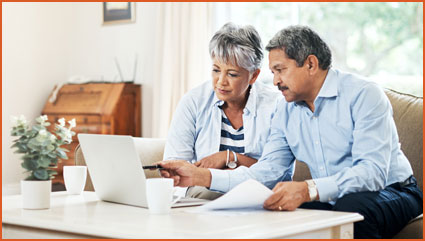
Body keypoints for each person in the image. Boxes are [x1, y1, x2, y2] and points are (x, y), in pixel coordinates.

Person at [159, 25, 423, 238]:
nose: (274, 81)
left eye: (280, 70)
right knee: (283, 216)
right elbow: (266, 173)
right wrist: (201, 176)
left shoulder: (364, 95)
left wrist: (307, 189)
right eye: (273, 72)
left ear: (310, 64)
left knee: (351, 210)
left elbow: (372, 174)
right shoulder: (284, 110)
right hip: (335, 195)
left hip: (394, 190)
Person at [163, 22, 285, 200]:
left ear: (254, 75)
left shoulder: (275, 106)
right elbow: (175, 165)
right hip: (202, 195)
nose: (221, 82)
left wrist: (228, 157)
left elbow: (276, 171)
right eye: (216, 70)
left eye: (232, 74)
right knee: (205, 194)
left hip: (256, 194)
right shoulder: (193, 102)